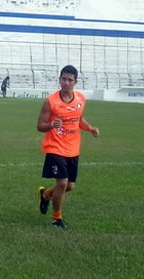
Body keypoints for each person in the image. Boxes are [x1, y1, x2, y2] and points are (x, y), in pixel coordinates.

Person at [36, 65, 99, 230]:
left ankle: (46, 194)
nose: (66, 82)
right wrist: (51, 124)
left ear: (75, 82)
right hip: (55, 147)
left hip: (73, 149)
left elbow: (78, 119)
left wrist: (90, 128)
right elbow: (40, 125)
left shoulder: (80, 99)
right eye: (64, 79)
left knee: (69, 186)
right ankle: (57, 218)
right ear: (59, 79)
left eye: (70, 80)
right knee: (63, 183)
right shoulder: (50, 101)